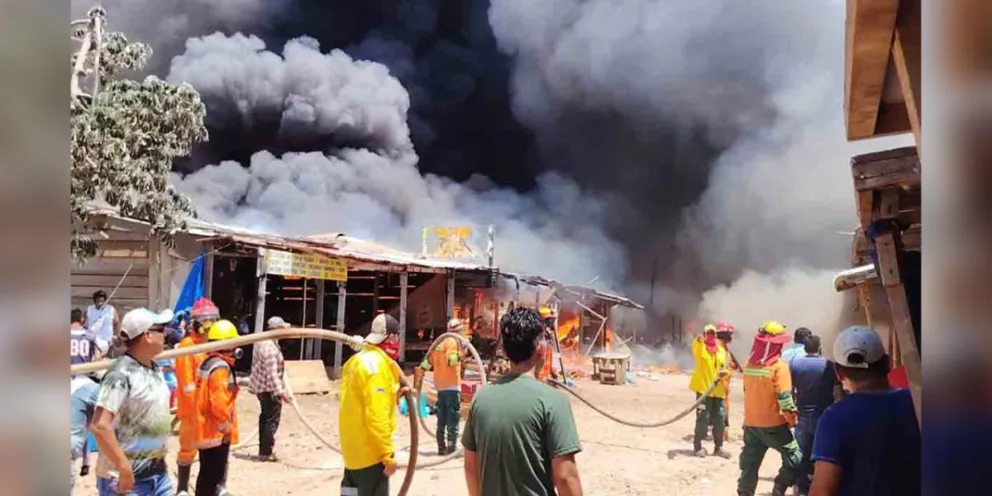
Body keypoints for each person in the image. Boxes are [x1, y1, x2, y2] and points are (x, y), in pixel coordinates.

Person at [462, 306, 583, 496]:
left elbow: (471, 466)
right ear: (541, 349)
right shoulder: (553, 401)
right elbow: (565, 476)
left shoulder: (481, 399)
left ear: (504, 349)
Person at [809, 326, 921, 496]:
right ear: (887, 363)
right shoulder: (918, 403)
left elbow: (822, 491)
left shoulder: (835, 417)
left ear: (838, 372)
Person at [89, 308, 174, 496]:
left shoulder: (154, 368)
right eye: (161, 329)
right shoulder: (120, 375)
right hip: (125, 480)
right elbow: (99, 425)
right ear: (147, 335)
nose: (165, 334)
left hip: (157, 475)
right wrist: (123, 466)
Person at [339, 313, 404, 496]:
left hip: (351, 456)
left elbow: (358, 400)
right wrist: (386, 455)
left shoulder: (354, 362)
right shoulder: (378, 368)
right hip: (370, 459)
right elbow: (377, 415)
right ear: (391, 338)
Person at [737, 320, 801, 496]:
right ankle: (779, 489)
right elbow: (785, 399)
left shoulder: (748, 365)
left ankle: (744, 492)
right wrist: (792, 421)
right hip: (774, 426)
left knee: (750, 464)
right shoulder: (779, 367)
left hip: (751, 425)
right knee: (795, 458)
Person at [174, 297, 219, 496]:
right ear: (196, 323)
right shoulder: (187, 346)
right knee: (187, 449)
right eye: (205, 321)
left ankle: (213, 486)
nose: (209, 326)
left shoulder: (214, 345)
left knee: (212, 451)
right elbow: (187, 384)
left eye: (213, 321)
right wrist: (199, 404)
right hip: (191, 410)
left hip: (212, 409)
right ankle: (182, 488)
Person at [789, 335, 842, 496]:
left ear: (805, 348)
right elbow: (837, 391)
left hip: (803, 414)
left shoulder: (795, 364)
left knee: (802, 452)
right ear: (820, 348)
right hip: (824, 415)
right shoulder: (828, 365)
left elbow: (790, 390)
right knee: (821, 453)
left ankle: (800, 486)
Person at [194, 319, 242, 496]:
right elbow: (219, 402)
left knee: (206, 475)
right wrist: (226, 428)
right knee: (214, 477)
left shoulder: (208, 362)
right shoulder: (221, 368)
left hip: (204, 428)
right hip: (216, 432)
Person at [420, 318, 468, 455]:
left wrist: (421, 371)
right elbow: (451, 360)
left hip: (440, 387)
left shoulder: (439, 342)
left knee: (441, 418)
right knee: (453, 418)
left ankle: (441, 448)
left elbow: (428, 362)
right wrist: (462, 354)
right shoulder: (453, 342)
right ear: (458, 331)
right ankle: (451, 448)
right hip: (452, 387)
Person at [71, 307, 103, 494]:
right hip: (84, 380)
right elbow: (99, 354)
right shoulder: (89, 335)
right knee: (86, 421)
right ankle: (86, 461)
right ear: (83, 319)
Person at [251, 316, 291, 462]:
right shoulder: (270, 348)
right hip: (269, 390)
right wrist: (281, 392)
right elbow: (272, 373)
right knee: (271, 421)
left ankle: (263, 450)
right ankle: (266, 452)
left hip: (261, 389)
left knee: (265, 418)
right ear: (277, 329)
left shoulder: (263, 342)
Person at [689, 324, 730, 458]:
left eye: (713, 333)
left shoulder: (721, 350)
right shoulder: (700, 347)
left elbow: (724, 365)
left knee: (719, 419)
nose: (711, 336)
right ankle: (697, 446)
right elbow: (696, 344)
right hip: (704, 390)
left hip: (718, 391)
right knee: (703, 418)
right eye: (708, 333)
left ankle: (719, 447)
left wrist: (725, 372)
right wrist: (698, 339)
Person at [715, 320, 739, 442]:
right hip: (720, 385)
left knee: (721, 410)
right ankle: (722, 435)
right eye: (730, 334)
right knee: (721, 411)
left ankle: (722, 434)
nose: (731, 337)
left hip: (724, 385)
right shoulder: (719, 348)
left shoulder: (723, 348)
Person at [86, 290, 119, 356]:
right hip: (93, 344)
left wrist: (115, 335)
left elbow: (116, 323)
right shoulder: (89, 309)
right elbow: (83, 323)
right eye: (98, 301)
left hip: (107, 343)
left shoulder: (111, 309)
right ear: (94, 302)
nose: (100, 303)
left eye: (102, 301)